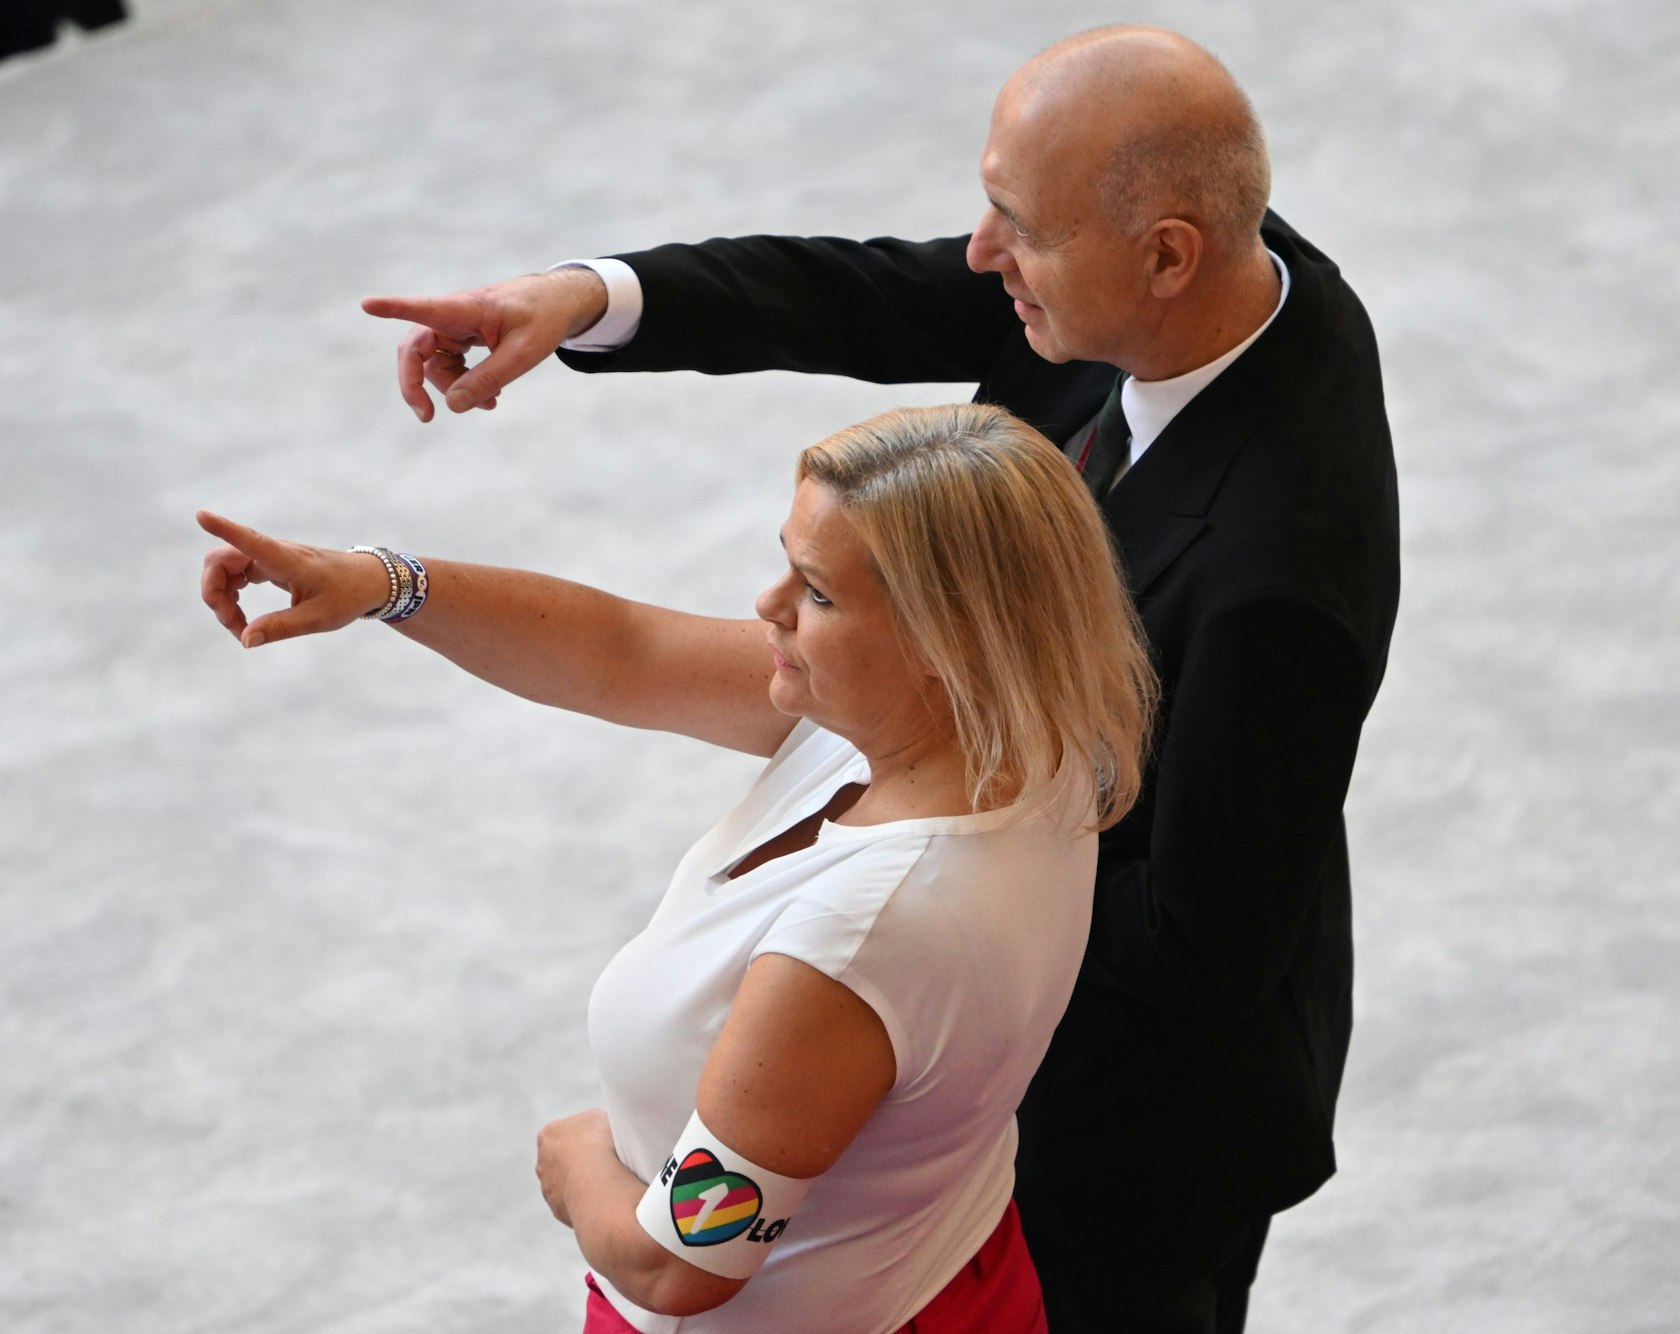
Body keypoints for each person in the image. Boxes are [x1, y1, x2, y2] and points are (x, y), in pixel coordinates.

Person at [362, 25, 1400, 1332]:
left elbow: (1199, 941)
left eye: (1012, 226)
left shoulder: (1274, 579)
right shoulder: (1185, 273)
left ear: (1164, 256)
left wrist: (915, 975)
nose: (977, 252)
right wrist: (593, 296)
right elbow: (870, 291)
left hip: (1118, 1139)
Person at [196, 403, 1157, 1333]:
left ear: (946, 644)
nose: (767, 606)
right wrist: (382, 583)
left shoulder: (859, 941)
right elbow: (625, 653)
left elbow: (680, 1264)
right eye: (789, 565)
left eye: (816, 594)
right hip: (950, 1264)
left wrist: (580, 1165)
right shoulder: (1024, 729)